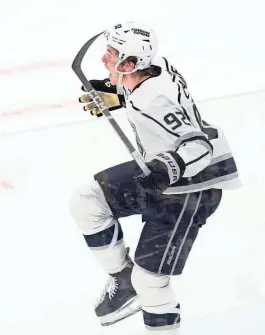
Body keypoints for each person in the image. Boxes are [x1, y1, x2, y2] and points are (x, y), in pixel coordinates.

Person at [69, 21, 240, 334]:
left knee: (150, 282)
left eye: (111, 54)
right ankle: (123, 280)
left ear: (130, 63)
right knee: (87, 201)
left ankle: (143, 295)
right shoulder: (154, 67)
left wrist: (166, 168)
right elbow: (140, 90)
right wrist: (116, 92)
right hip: (161, 173)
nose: (105, 60)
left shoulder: (157, 101)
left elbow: (197, 147)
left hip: (192, 189)